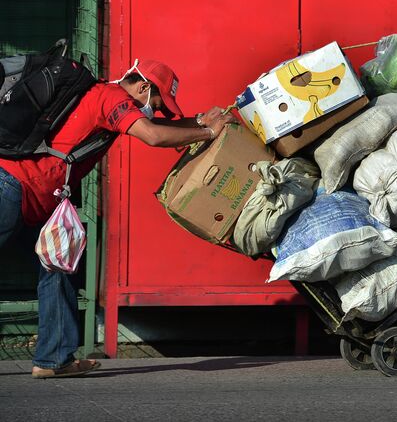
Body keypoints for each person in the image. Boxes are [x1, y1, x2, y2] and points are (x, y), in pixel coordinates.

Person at [0, 58, 236, 378]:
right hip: (13, 187)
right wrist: (207, 133)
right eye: (156, 102)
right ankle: (55, 357)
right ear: (142, 86)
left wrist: (197, 122)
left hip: (32, 196)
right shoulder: (112, 99)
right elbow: (152, 135)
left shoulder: (109, 97)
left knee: (61, 264)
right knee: (59, 265)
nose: (155, 109)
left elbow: (158, 126)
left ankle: (54, 360)